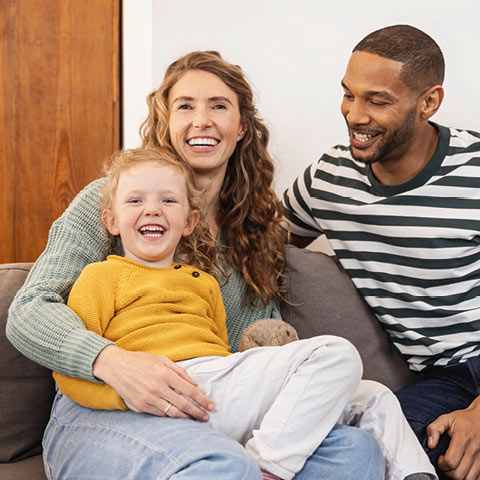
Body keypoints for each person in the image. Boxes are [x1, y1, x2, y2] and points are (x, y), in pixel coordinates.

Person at [7, 51, 385, 479]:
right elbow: (29, 311)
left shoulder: (256, 234)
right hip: (103, 405)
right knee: (221, 464)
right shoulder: (111, 202)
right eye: (185, 106)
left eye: (218, 106)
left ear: (241, 128)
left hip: (203, 406)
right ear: (166, 121)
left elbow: (245, 354)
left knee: (354, 451)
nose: (201, 121)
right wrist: (114, 363)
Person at [54, 147, 436, 480]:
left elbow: (222, 352)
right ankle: (268, 467)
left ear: (190, 223)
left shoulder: (202, 282)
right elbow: (71, 370)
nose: (152, 208)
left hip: (218, 386)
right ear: (110, 221)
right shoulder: (101, 275)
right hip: (163, 388)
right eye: (135, 201)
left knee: (372, 394)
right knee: (335, 355)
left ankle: (415, 473)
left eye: (168, 201)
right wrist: (127, 396)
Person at [282, 24, 480, 480]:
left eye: (377, 100)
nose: (354, 115)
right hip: (441, 379)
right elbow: (259, 243)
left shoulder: (473, 170)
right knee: (381, 449)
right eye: (348, 95)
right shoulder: (328, 179)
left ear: (429, 102)